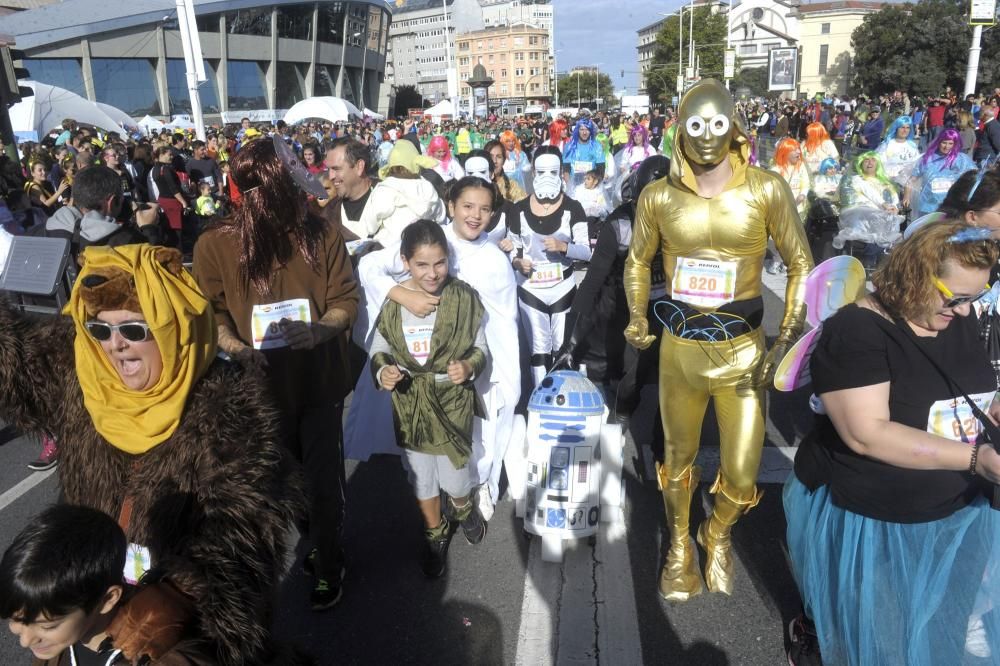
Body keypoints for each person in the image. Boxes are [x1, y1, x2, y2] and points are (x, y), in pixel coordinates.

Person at [0, 243, 302, 665]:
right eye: (102, 330)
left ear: (171, 327)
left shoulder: (229, 415)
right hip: (85, 610)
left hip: (168, 635)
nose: (116, 345)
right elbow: (12, 358)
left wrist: (159, 608)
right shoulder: (85, 378)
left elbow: (237, 553)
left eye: (134, 329)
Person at [623, 79, 812, 602]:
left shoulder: (765, 188)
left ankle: (719, 531)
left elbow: (801, 263)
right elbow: (637, 260)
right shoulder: (658, 195)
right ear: (679, 130)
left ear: (736, 128)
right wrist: (639, 315)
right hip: (679, 350)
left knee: (743, 472)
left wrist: (788, 336)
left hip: (744, 350)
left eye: (718, 124)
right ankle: (680, 545)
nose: (707, 136)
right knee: (677, 459)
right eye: (696, 124)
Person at [784, 220, 1000, 666]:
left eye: (974, 299)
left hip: (959, 509)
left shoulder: (950, 316)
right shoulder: (856, 331)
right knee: (879, 634)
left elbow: (974, 390)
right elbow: (867, 434)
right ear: (915, 274)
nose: (963, 311)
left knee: (942, 626)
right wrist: (977, 458)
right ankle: (812, 639)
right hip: (879, 518)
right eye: (955, 298)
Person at [194, 137, 359, 613]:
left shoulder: (321, 233)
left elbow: (346, 300)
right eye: (290, 183)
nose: (305, 188)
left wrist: (321, 328)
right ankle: (297, 551)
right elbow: (212, 314)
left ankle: (329, 562)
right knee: (273, 488)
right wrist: (235, 348)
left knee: (324, 483)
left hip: (319, 382)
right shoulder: (215, 244)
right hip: (259, 391)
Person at [351, 177, 520, 521]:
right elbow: (370, 266)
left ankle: (476, 486)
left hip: (476, 357)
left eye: (485, 209)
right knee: (420, 433)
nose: (475, 216)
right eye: (468, 206)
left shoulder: (494, 258)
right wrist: (403, 295)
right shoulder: (433, 240)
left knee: (481, 428)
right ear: (452, 205)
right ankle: (431, 499)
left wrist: (496, 368)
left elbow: (504, 322)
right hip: (423, 357)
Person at [369, 219, 489, 578]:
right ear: (405, 261)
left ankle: (464, 508)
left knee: (454, 479)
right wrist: (383, 372)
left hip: (452, 402)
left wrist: (468, 366)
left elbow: (480, 348)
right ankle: (435, 533)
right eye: (422, 264)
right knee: (422, 479)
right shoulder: (394, 303)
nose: (433, 273)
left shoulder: (463, 297)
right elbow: (379, 349)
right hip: (410, 405)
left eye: (440, 262)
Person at [1, 504, 215, 665]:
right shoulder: (62, 639)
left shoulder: (165, 657)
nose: (25, 641)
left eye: (47, 626)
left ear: (107, 599)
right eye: (16, 620)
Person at [506, 145, 591, 385]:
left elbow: (586, 252)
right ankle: (538, 399)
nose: (546, 178)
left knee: (562, 348)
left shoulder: (573, 208)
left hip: (562, 286)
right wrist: (517, 261)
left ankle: (563, 394)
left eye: (553, 172)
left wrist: (564, 247)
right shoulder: (518, 209)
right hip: (530, 288)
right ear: (532, 173)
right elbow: (513, 249)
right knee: (538, 348)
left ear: (562, 173)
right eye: (541, 172)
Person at [355, 140, 446, 245]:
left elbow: (370, 226)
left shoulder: (386, 189)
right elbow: (441, 216)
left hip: (392, 248)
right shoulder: (427, 186)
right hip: (425, 245)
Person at [904, 129, 976, 218]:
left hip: (951, 206)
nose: (947, 147)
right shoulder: (927, 158)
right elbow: (912, 178)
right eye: (944, 143)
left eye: (950, 143)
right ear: (939, 142)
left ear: (955, 144)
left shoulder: (961, 160)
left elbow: (974, 177)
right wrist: (906, 196)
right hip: (928, 205)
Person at [325, 137, 375, 236]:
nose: (330, 176)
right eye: (329, 169)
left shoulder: (390, 199)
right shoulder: (329, 213)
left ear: (359, 166)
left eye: (336, 169)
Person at [150, 145, 188, 250]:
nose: (172, 157)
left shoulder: (154, 169)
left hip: (162, 200)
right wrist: (183, 202)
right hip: (172, 201)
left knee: (169, 228)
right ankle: (178, 251)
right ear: (161, 155)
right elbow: (173, 188)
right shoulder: (165, 169)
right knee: (177, 229)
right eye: (169, 155)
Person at [562, 117, 606, 198]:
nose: (584, 132)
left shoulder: (597, 146)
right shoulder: (569, 146)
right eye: (582, 129)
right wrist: (570, 188)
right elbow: (566, 169)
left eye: (587, 130)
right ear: (577, 130)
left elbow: (601, 170)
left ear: (591, 131)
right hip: (573, 186)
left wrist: (593, 187)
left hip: (592, 187)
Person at [875, 115, 920, 190]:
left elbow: (917, 166)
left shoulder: (912, 146)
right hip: (888, 183)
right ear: (896, 128)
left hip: (906, 186)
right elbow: (879, 163)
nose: (905, 130)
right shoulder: (887, 145)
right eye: (902, 127)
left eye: (908, 128)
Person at [773, 137, 811, 219]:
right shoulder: (775, 170)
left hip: (799, 210)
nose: (798, 152)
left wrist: (803, 194)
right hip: (782, 212)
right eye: (794, 150)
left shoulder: (801, 166)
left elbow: (806, 183)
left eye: (798, 149)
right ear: (785, 152)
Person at [485, 139, 527, 204]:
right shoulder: (475, 184)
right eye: (490, 156)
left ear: (504, 161)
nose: (494, 161)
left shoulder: (511, 185)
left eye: (499, 157)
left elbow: (524, 204)